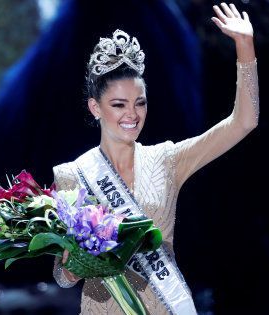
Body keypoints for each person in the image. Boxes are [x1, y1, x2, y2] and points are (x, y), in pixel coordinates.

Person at [50, 3, 258, 314]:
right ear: (96, 108)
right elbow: (61, 277)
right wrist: (73, 268)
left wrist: (245, 48)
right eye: (119, 105)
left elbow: (245, 121)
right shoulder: (72, 175)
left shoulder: (167, 159)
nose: (131, 114)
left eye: (140, 103)